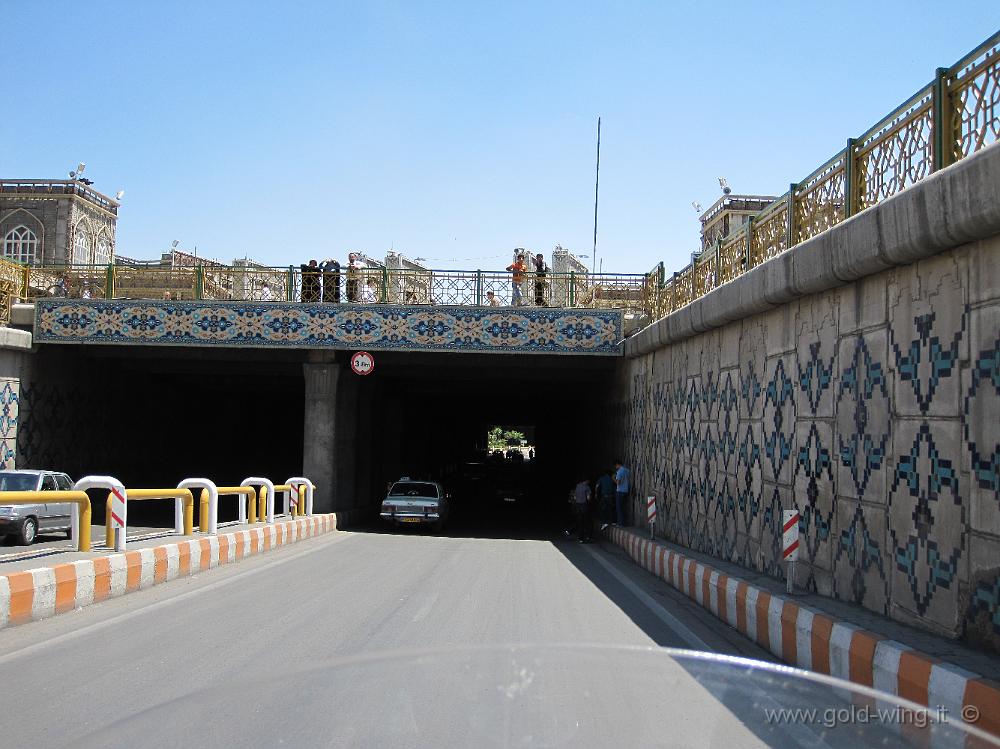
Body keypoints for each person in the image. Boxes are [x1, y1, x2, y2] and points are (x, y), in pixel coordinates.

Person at [572, 478, 592, 542]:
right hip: (584, 505)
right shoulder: (587, 487)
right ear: (586, 480)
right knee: (587, 522)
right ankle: (588, 537)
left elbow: (574, 497)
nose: (589, 482)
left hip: (578, 505)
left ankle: (580, 538)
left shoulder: (577, 486)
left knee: (580, 522)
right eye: (588, 481)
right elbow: (588, 498)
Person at [613, 459, 631, 526]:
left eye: (615, 466)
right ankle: (624, 522)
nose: (615, 467)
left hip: (620, 491)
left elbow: (618, 482)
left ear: (617, 464)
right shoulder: (627, 470)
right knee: (623, 507)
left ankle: (620, 523)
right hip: (626, 491)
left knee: (619, 508)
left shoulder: (619, 471)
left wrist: (613, 478)